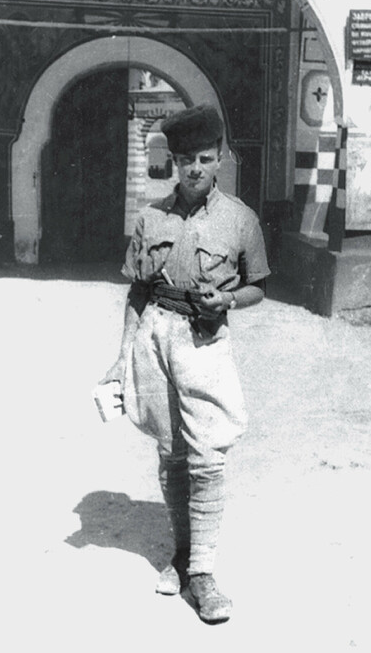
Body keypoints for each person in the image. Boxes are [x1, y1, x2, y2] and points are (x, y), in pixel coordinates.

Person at [100, 104, 270, 623]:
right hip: (156, 337)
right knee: (172, 453)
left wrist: (230, 300)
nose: (195, 168)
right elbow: (137, 292)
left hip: (205, 340)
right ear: (173, 162)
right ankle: (180, 555)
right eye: (185, 159)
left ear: (220, 158)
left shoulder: (240, 219)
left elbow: (258, 287)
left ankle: (204, 574)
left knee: (208, 455)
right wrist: (122, 356)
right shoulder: (151, 217)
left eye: (204, 158)